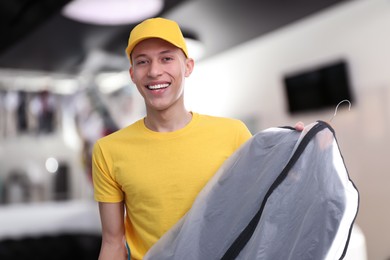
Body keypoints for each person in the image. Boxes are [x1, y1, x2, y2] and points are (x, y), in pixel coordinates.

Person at [92, 17, 304, 260]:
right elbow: (112, 243)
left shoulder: (233, 134)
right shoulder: (108, 150)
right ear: (132, 74)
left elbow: (273, 202)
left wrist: (300, 149)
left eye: (167, 58)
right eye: (142, 62)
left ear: (188, 67)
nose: (154, 71)